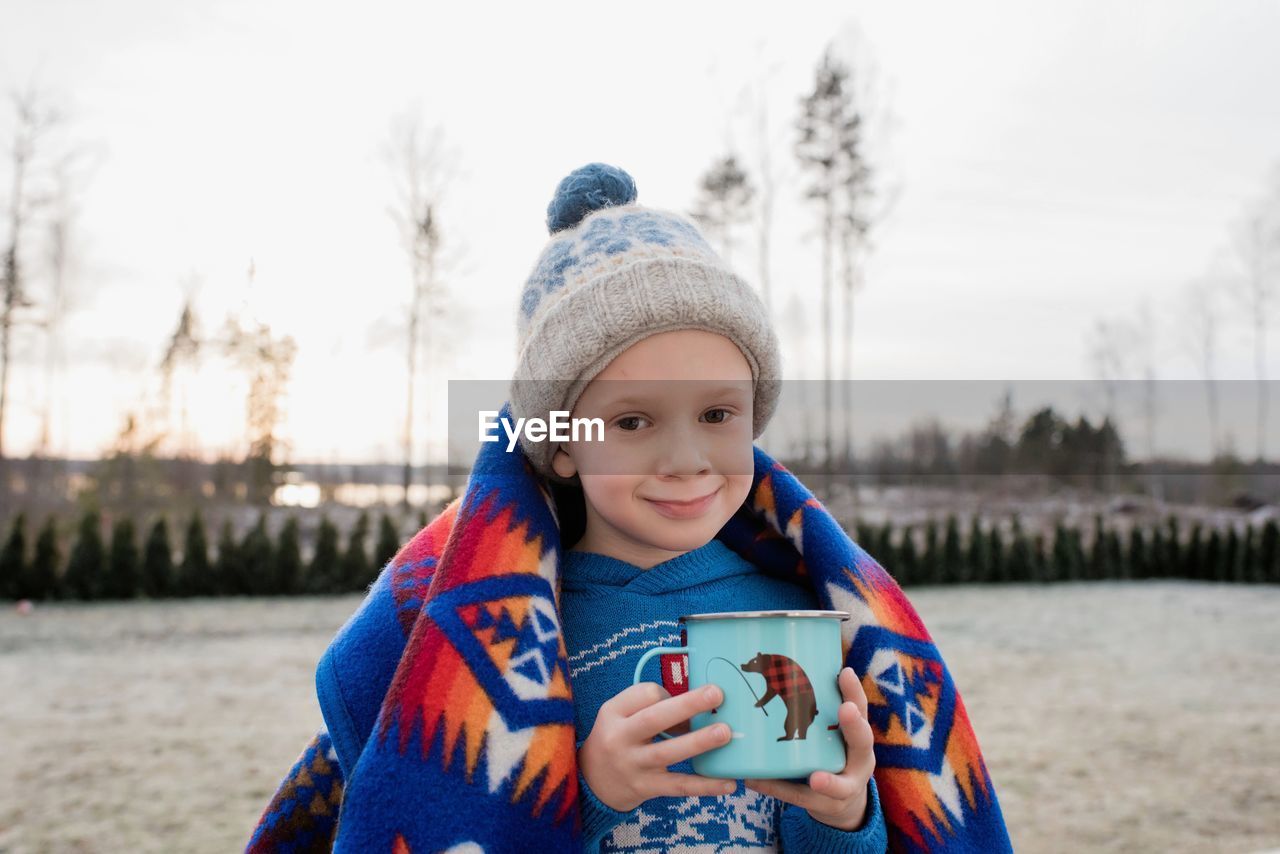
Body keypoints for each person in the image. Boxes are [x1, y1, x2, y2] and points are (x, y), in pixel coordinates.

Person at [246, 162, 1012, 854]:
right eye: (634, 422)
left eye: (718, 415)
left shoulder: (801, 613)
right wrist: (592, 795)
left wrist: (842, 815)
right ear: (564, 444)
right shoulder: (505, 642)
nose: (686, 459)